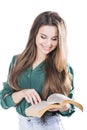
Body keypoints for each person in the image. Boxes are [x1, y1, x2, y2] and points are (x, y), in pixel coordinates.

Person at [0, 11, 75, 130]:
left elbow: (69, 109)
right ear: (34, 34)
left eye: (54, 39)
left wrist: (62, 107)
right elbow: (4, 101)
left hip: (49, 124)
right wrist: (22, 93)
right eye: (43, 37)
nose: (48, 44)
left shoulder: (63, 67)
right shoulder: (16, 61)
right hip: (23, 124)